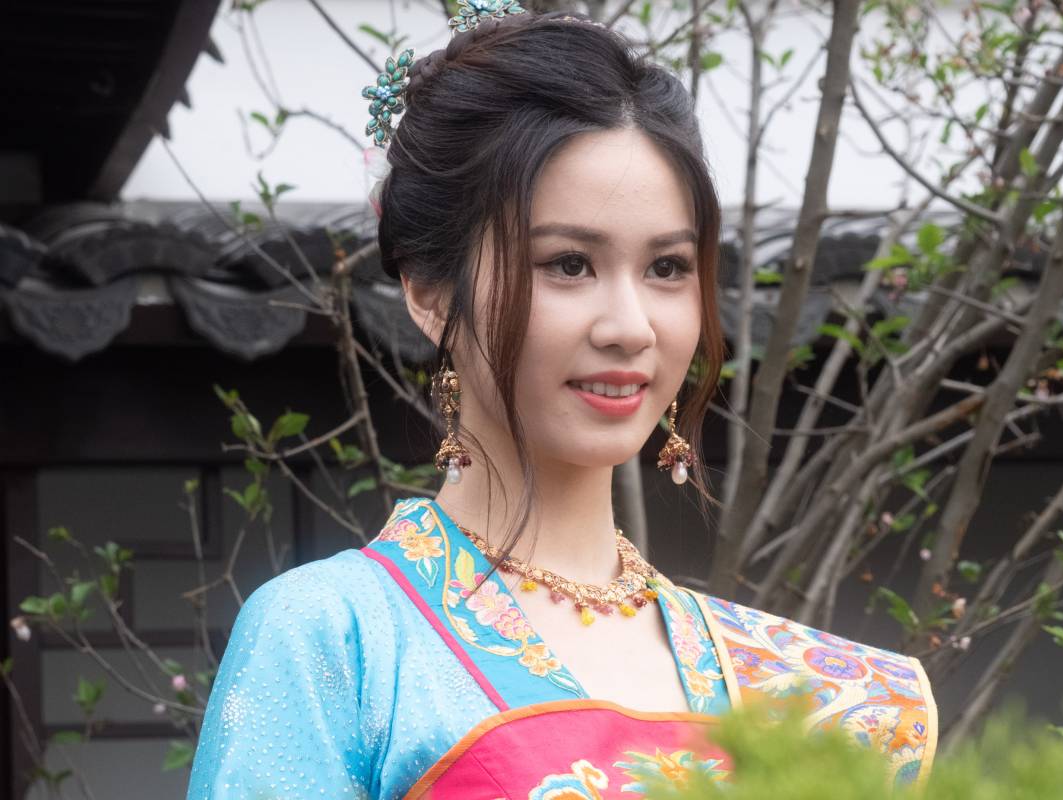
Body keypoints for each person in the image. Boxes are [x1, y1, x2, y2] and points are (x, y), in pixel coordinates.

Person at [187, 8, 936, 799]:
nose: (630, 327)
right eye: (569, 264)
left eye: (668, 268)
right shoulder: (337, 638)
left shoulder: (810, 696)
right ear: (431, 291)